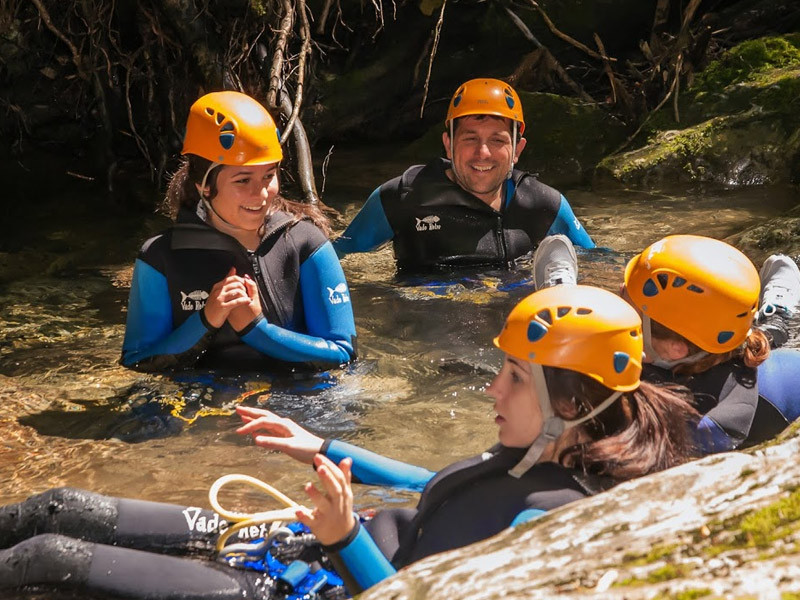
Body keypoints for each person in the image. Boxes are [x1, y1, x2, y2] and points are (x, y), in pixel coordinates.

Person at [0, 286, 699, 598]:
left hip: (308, 584)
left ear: (568, 405)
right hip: (309, 544)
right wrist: (323, 450)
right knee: (61, 506)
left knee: (49, 558)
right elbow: (436, 488)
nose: (492, 390)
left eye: (512, 378)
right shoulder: (538, 449)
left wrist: (343, 539)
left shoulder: (555, 517)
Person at [121, 91, 357, 373]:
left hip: (293, 403)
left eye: (269, 176)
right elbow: (137, 361)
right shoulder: (160, 257)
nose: (260, 194)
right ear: (204, 185)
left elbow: (343, 353)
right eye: (243, 180)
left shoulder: (305, 243)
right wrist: (206, 319)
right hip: (201, 405)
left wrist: (256, 328)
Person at [331, 78, 595, 272]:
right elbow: (333, 258)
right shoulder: (401, 198)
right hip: (422, 336)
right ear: (448, 144)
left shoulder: (543, 204)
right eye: (470, 138)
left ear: (517, 150)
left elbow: (600, 264)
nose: (483, 153)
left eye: (497, 140)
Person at [621, 235, 800, 453]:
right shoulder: (675, 349)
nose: (620, 291)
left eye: (628, 310)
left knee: (766, 339)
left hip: (784, 392)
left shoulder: (719, 413)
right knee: (757, 337)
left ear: (675, 349)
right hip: (732, 342)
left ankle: (776, 317)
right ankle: (772, 319)